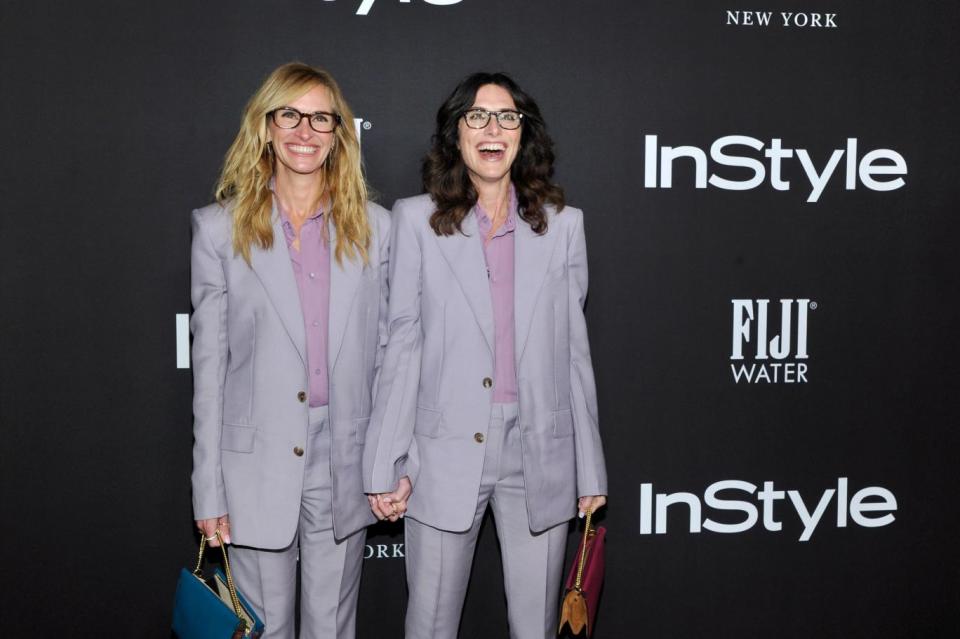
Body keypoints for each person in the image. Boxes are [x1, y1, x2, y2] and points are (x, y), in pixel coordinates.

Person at [363, 72, 607, 639]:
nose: (492, 129)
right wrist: (386, 463)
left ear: (525, 134)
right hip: (443, 454)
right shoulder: (416, 220)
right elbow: (401, 344)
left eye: (507, 117)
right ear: (456, 133)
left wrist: (589, 467)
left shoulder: (564, 228)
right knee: (429, 625)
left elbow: (574, 351)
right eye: (477, 116)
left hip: (540, 454)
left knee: (536, 626)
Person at [190, 62, 389, 639]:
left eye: (321, 118)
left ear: (339, 133)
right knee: (265, 629)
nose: (305, 131)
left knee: (332, 627)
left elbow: (388, 354)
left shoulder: (377, 230)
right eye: (291, 115)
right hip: (254, 463)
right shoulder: (217, 230)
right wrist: (209, 489)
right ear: (267, 126)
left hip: (344, 456)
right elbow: (209, 375)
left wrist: (391, 463)